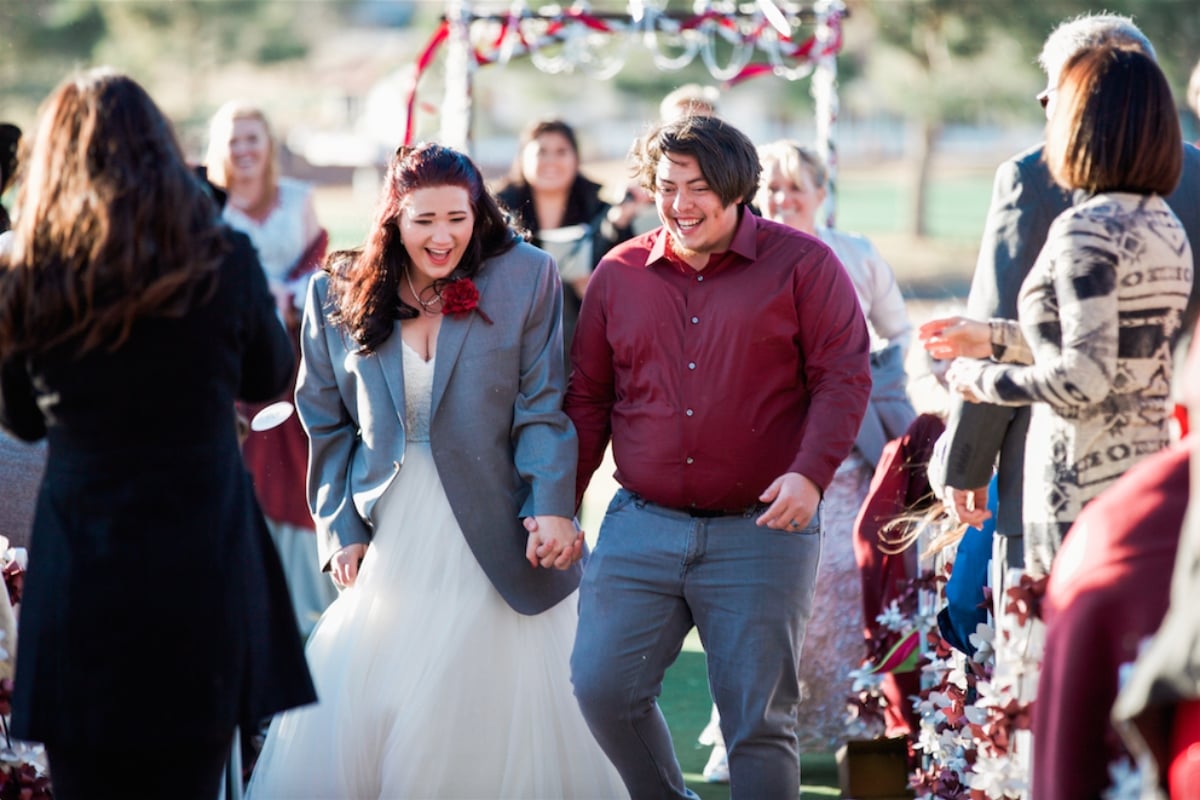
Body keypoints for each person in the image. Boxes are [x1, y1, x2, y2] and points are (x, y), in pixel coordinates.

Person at [245, 142, 627, 798]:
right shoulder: (334, 290)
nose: (443, 237)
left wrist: (550, 505)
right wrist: (341, 529)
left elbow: (542, 409)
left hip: (497, 530)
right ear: (393, 218)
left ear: (479, 213)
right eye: (424, 221)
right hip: (389, 534)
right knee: (389, 696)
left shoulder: (526, 276)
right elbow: (326, 424)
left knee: (482, 704)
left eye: (458, 218)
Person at [0, 68, 314, 800]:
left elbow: (19, 416)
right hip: (199, 558)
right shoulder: (220, 259)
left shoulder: (31, 273)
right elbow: (271, 372)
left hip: (83, 559)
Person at [564, 114, 872, 798]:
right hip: (641, 522)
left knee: (757, 724)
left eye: (698, 187)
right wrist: (560, 504)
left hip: (764, 529)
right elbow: (587, 397)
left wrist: (810, 474)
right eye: (667, 186)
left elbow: (844, 378)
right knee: (601, 687)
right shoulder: (619, 275)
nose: (680, 203)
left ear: (737, 189)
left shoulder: (805, 266)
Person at [922, 12, 1200, 587]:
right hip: (1174, 471)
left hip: (1060, 478)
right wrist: (995, 339)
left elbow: (1076, 361)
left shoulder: (1034, 178)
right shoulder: (1186, 179)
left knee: (1046, 654)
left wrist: (966, 460)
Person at [697, 140, 915, 778]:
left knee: (844, 587)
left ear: (821, 194)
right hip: (763, 446)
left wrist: (879, 386)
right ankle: (740, 731)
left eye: (797, 188)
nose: (784, 200)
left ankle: (857, 729)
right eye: (773, 190)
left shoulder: (858, 256)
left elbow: (898, 330)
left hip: (844, 453)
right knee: (759, 596)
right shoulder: (735, 257)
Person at [205, 101, 334, 637]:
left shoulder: (300, 200)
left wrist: (291, 297)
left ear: (268, 144)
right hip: (234, 358)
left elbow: (319, 270)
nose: (244, 150)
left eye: (253, 138)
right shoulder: (207, 208)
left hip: (292, 354)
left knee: (296, 459)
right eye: (234, 140)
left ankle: (309, 602)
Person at [495, 117, 633, 359]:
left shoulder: (603, 212)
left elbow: (631, 281)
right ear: (522, 158)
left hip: (587, 338)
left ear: (576, 158)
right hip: (514, 335)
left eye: (561, 152)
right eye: (541, 152)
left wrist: (595, 290)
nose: (551, 162)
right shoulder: (498, 212)